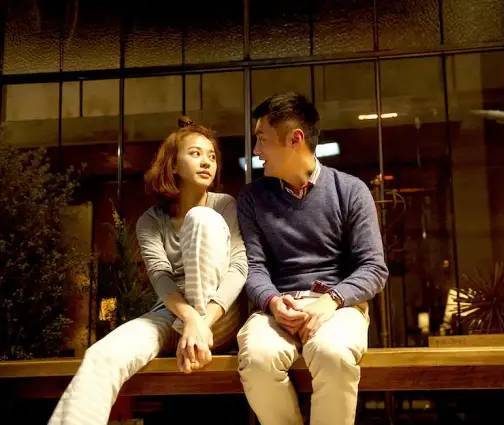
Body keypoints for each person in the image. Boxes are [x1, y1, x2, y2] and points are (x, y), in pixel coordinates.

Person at [49, 117, 247, 425]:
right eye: (195, 153)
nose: (207, 162)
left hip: (219, 314)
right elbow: (160, 277)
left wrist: (202, 320)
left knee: (201, 218)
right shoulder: (150, 221)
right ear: (173, 164)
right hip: (175, 315)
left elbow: (239, 267)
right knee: (102, 355)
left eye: (211, 156)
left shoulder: (224, 205)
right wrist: (190, 320)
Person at [236, 92, 388, 425]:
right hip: (279, 305)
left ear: (295, 139)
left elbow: (374, 268)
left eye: (262, 139)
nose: (256, 150)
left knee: (332, 354)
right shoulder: (252, 198)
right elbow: (254, 267)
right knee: (258, 359)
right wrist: (273, 302)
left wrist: (330, 301)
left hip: (338, 305)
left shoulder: (351, 191)